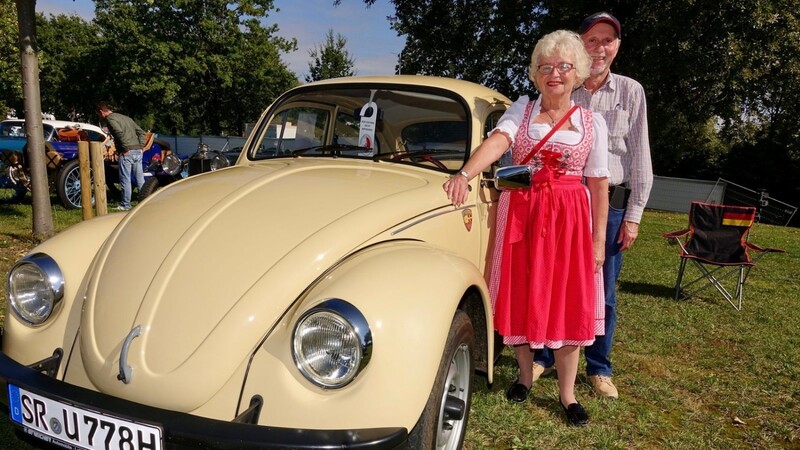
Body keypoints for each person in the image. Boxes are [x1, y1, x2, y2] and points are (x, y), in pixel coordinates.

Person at [443, 30, 609, 426]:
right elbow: (500, 142)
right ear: (536, 74)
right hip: (523, 214)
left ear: (578, 73)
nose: (555, 73)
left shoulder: (591, 121)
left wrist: (598, 239)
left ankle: (567, 395)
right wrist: (466, 173)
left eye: (564, 67)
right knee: (522, 290)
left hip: (569, 219)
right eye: (546, 67)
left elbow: (599, 183)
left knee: (569, 300)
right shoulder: (522, 108)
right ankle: (523, 376)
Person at [532, 12, 654, 399]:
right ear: (579, 45)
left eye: (608, 40)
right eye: (592, 39)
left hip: (609, 206)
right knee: (551, 280)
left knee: (603, 291)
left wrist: (632, 217)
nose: (600, 47)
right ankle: (543, 356)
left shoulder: (631, 91)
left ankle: (599, 368)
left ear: (617, 46)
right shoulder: (560, 84)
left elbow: (640, 158)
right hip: (559, 202)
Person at [97, 102, 147, 211]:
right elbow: (141, 132)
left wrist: (124, 148)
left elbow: (119, 133)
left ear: (101, 112)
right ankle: (145, 202)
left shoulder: (110, 119)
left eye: (99, 115)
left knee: (125, 179)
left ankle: (125, 204)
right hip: (137, 151)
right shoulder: (127, 118)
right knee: (140, 179)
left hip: (127, 152)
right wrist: (141, 146)